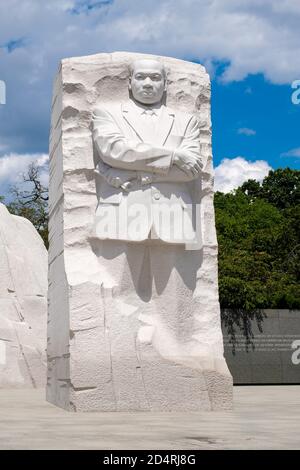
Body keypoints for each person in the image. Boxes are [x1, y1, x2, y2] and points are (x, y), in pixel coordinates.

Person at [92, 58, 203, 246]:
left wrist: (132, 173)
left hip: (176, 215)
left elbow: (191, 169)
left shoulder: (187, 121)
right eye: (141, 77)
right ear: (129, 82)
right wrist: (173, 157)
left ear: (166, 84)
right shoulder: (107, 113)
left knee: (177, 276)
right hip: (119, 213)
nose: (148, 84)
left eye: (155, 78)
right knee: (112, 276)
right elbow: (114, 150)